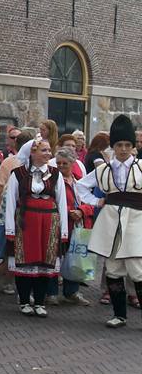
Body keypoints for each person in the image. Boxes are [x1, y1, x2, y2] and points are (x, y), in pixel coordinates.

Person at [76, 115, 142, 329]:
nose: (123, 149)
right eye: (119, 145)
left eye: (127, 145)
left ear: (133, 146)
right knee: (113, 268)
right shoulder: (103, 169)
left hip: (136, 221)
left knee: (137, 269)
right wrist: (96, 201)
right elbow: (80, 186)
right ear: (113, 146)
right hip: (111, 221)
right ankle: (119, 315)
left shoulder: (141, 167)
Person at [5, 138, 69, 318]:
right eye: (44, 150)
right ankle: (25, 301)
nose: (49, 153)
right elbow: (11, 202)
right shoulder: (18, 173)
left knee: (45, 263)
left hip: (49, 223)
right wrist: (10, 229)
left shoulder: (55, 174)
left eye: (49, 150)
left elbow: (62, 202)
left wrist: (63, 231)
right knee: (25, 261)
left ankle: (40, 302)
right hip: (26, 223)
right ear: (32, 153)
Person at [0, 130, 35, 301]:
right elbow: (3, 190)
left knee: (15, 257)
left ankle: (21, 292)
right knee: (9, 257)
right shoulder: (16, 168)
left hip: (20, 218)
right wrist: (1, 217)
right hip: (15, 219)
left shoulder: (30, 169)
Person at [53, 147, 93, 305]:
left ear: (73, 163)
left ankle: (72, 292)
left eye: (65, 163)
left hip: (78, 226)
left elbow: (90, 202)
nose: (61, 166)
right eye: (58, 163)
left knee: (76, 259)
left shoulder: (79, 182)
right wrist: (70, 211)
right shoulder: (52, 181)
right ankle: (51, 292)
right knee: (55, 259)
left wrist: (82, 211)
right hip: (59, 225)